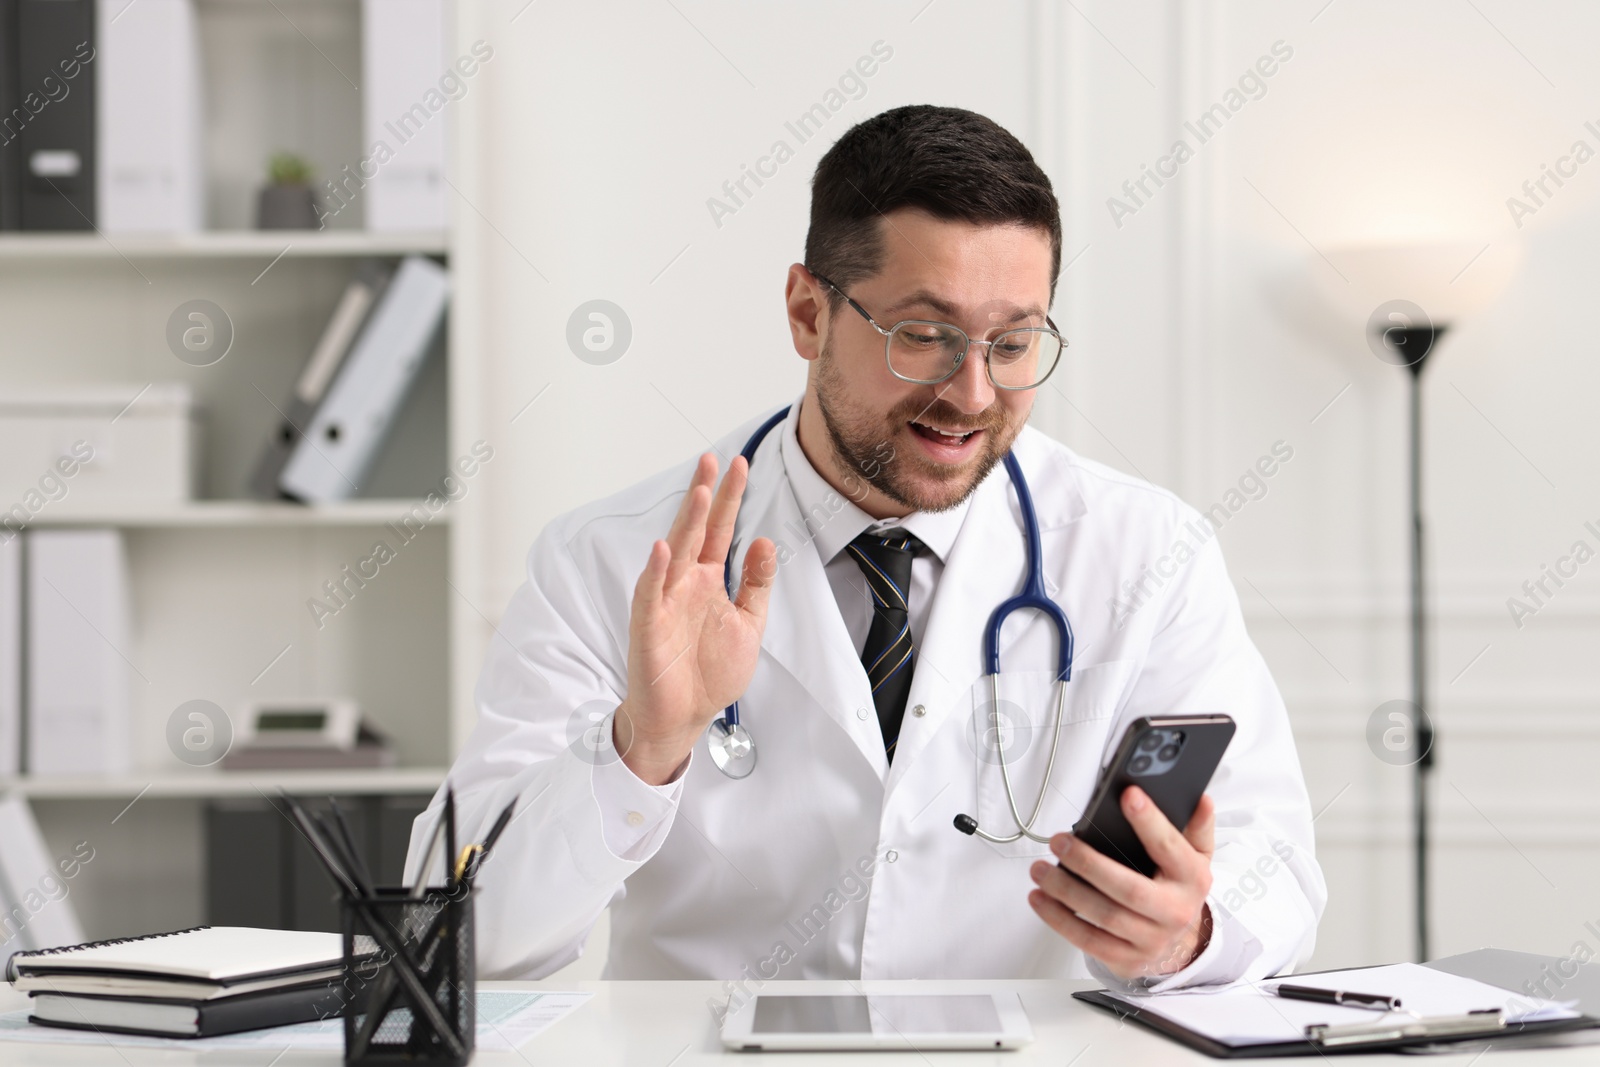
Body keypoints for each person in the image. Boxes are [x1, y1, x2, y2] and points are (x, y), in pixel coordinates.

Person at [408, 105, 1325, 995]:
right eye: (923, 335)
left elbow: (1270, 862)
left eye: (1012, 342)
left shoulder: (1148, 553)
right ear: (809, 313)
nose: (972, 392)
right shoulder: (606, 560)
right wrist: (641, 747)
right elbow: (457, 935)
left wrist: (1186, 932)